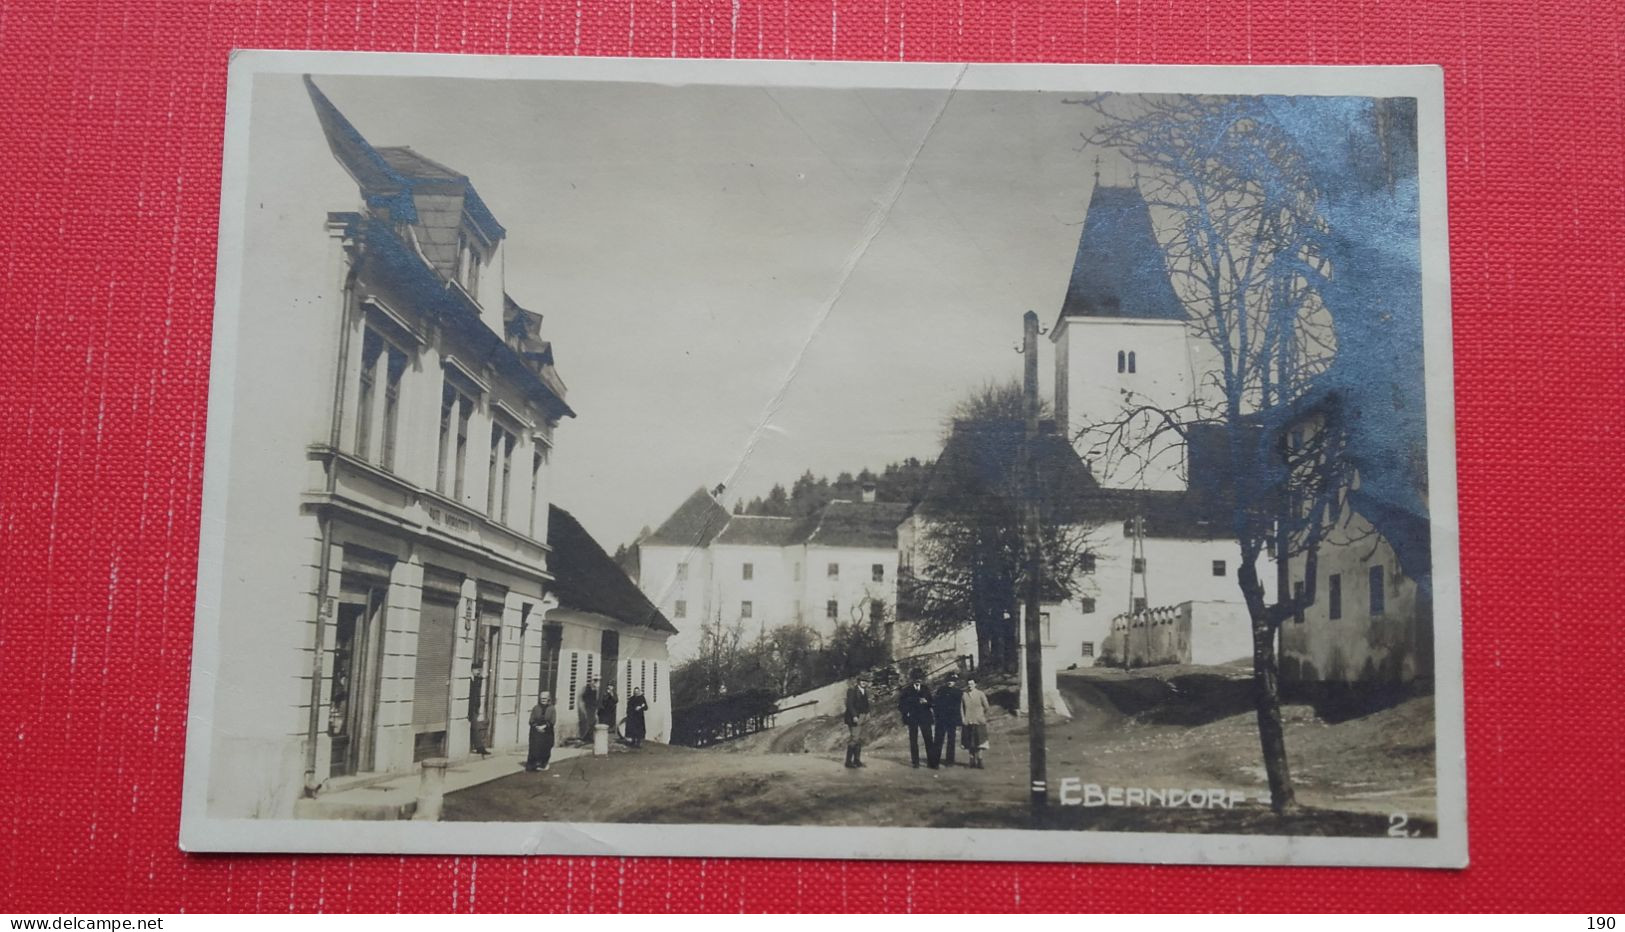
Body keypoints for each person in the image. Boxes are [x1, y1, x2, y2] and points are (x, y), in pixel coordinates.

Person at [898, 667, 936, 768]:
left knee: (928, 739)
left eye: (920, 678)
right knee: (913, 740)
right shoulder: (907, 690)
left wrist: (927, 702)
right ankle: (916, 762)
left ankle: (931, 762)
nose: (918, 680)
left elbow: (932, 702)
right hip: (913, 717)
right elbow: (901, 705)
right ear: (912, 679)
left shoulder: (925, 689)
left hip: (925, 717)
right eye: (916, 678)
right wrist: (907, 712)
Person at [931, 671, 964, 767]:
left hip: (952, 720)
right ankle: (935, 761)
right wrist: (936, 716)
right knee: (938, 739)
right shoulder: (941, 690)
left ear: (955, 682)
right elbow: (935, 704)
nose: (950, 682)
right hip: (941, 720)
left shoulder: (958, 693)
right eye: (948, 680)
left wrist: (958, 720)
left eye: (952, 681)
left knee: (951, 740)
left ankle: (950, 761)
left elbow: (960, 707)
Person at [960, 676, 991, 769]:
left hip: (978, 721)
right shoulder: (964, 695)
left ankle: (980, 760)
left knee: (980, 741)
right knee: (970, 742)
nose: (970, 686)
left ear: (975, 684)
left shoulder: (980, 694)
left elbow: (987, 707)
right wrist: (963, 718)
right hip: (968, 721)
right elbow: (961, 708)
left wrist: (981, 715)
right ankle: (972, 761)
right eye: (968, 684)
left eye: (972, 684)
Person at [842, 674, 871, 769]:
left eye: (866, 681)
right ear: (859, 681)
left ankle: (857, 760)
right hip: (854, 717)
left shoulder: (865, 691)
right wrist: (854, 716)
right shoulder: (852, 691)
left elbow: (866, 704)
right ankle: (848, 761)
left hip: (863, 716)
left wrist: (868, 713)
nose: (864, 682)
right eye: (862, 681)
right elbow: (849, 705)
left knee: (859, 739)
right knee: (854, 738)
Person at [525, 692, 557, 771]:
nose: (543, 700)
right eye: (541, 698)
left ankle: (544, 764)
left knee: (545, 748)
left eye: (545, 698)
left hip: (547, 732)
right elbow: (531, 720)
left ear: (548, 699)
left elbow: (552, 721)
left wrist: (544, 726)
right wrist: (537, 727)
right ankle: (532, 764)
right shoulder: (536, 708)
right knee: (534, 748)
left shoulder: (552, 709)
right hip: (536, 731)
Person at [577, 677, 598, 743]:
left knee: (593, 722)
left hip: (593, 708)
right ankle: (584, 737)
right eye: (594, 680)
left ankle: (590, 737)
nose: (594, 682)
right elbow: (581, 698)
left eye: (596, 681)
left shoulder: (595, 689)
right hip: (587, 707)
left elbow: (596, 699)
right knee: (587, 722)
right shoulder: (586, 688)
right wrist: (582, 707)